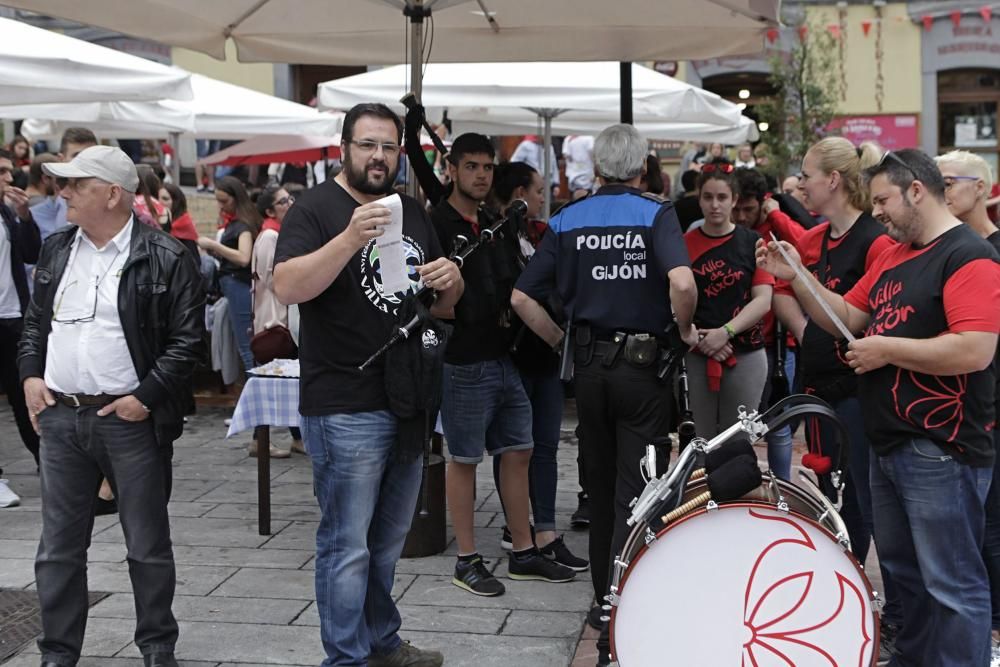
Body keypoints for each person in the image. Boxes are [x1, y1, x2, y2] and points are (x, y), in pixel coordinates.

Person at [756, 148, 1000, 667]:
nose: (879, 211)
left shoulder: (969, 256)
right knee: (905, 574)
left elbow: (976, 348)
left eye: (885, 199)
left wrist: (886, 348)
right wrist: (798, 273)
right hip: (888, 439)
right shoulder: (892, 252)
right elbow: (847, 313)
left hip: (942, 446)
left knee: (951, 585)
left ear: (917, 190)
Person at [272, 102, 460, 667]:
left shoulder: (411, 209)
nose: (378, 156)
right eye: (367, 145)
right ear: (344, 148)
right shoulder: (315, 210)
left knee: (385, 544)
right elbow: (286, 287)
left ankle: (380, 640)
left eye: (388, 146)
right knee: (346, 545)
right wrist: (350, 238)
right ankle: (346, 658)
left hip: (409, 397)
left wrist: (452, 281)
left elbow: (442, 308)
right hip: (345, 402)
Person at [512, 124, 699, 667]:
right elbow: (683, 284)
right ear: (642, 168)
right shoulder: (656, 214)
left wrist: (561, 342)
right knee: (636, 489)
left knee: (595, 485)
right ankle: (631, 594)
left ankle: (602, 600)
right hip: (642, 371)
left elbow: (523, 296)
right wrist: (683, 331)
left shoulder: (568, 219)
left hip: (589, 371)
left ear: (597, 169)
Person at [20, 145, 206, 667]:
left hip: (128, 420)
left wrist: (144, 399)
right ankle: (57, 654)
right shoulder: (57, 249)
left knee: (147, 544)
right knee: (57, 548)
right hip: (61, 416)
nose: (64, 193)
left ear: (112, 193)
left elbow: (186, 342)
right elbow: (37, 323)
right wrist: (30, 376)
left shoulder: (166, 255)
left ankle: (156, 647)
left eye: (75, 184)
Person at [772, 138, 902, 660]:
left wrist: (803, 294)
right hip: (819, 380)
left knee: (866, 503)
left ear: (834, 180)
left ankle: (886, 614)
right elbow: (792, 293)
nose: (799, 183)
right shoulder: (816, 238)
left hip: (859, 390)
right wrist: (807, 331)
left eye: (806, 174)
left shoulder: (875, 241)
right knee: (830, 495)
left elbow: (860, 316)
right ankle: (839, 596)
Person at [433, 134, 576, 598]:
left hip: (502, 356)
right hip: (462, 360)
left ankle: (523, 549)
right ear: (451, 169)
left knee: (519, 449)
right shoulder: (438, 222)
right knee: (465, 459)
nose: (480, 175)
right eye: (471, 166)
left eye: (487, 168)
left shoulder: (496, 221)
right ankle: (467, 560)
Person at [489, 161, 589, 573]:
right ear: (517, 194)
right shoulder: (496, 238)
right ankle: (518, 529)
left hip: (544, 358)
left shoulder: (538, 235)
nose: (541, 198)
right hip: (514, 357)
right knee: (514, 447)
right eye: (536, 191)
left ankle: (544, 530)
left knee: (544, 446)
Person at [934, 149, 1000, 662]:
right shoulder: (943, 249)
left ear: (983, 188)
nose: (941, 189)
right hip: (960, 410)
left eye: (949, 181)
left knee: (991, 530)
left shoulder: (988, 251)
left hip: (987, 407)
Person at [684, 161, 773, 438]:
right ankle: (702, 485)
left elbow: (763, 300)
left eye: (722, 197)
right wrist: (699, 339)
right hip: (697, 352)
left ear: (734, 200)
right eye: (708, 197)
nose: (715, 205)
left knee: (738, 442)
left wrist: (725, 332)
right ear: (698, 199)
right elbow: (672, 297)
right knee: (702, 442)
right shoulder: (684, 244)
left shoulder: (753, 242)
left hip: (745, 353)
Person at [0, 148, 41, 508]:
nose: (10, 179)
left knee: (25, 393)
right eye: (2, 172)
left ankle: (50, 463)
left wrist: (25, 216)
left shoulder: (6, 214)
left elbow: (31, 253)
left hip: (13, 316)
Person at [251, 185, 303, 457]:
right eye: (283, 201)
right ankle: (260, 439)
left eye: (290, 198)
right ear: (270, 210)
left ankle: (296, 437)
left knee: (286, 379)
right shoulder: (271, 237)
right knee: (276, 379)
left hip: (274, 316)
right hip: (276, 318)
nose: (290, 203)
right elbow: (276, 281)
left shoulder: (272, 234)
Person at [198, 176, 260, 376]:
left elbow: (243, 257)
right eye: (218, 200)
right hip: (235, 285)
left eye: (224, 201)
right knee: (244, 345)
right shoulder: (239, 223)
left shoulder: (242, 225)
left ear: (236, 198)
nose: (220, 205)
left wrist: (214, 246)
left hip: (238, 285)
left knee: (246, 345)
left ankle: (254, 390)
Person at [157, 183, 199, 263]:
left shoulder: (184, 224)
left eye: (165, 199)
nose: (159, 202)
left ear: (176, 203)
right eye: (157, 198)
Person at [511, 134, 560, 199]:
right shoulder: (526, 145)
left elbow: (554, 166)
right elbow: (514, 163)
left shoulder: (550, 147)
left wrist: (556, 184)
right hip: (532, 186)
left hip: (548, 186)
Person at [25, 153, 61, 240]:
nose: (60, 184)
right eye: (58, 178)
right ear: (46, 178)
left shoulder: (23, 200)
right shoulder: (39, 205)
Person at [562, 134, 595, 200]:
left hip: (574, 176)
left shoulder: (569, 138)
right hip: (588, 175)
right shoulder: (589, 138)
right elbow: (592, 153)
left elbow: (565, 154)